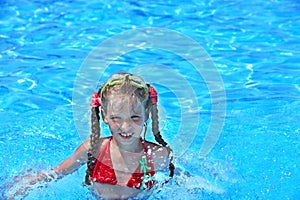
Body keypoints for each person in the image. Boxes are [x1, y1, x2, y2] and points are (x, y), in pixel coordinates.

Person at [6, 72, 175, 200]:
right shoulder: (93, 149)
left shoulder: (157, 156)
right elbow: (55, 173)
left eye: (134, 117)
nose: (125, 126)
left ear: (147, 115)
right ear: (105, 116)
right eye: (116, 118)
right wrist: (22, 186)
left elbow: (183, 181)